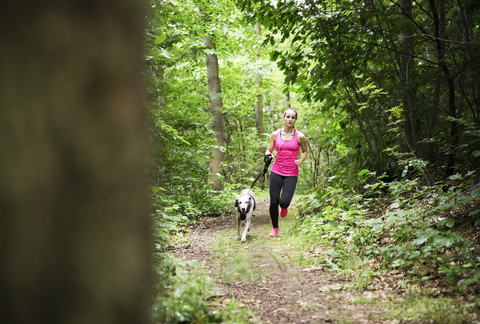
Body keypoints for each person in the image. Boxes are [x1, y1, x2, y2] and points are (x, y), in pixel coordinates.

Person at [264, 108, 308, 237]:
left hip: (291, 173)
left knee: (284, 202)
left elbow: (305, 151)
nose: (290, 119)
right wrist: (268, 155)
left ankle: (284, 207)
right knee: (273, 202)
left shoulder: (300, 136)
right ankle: (275, 228)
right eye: (288, 117)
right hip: (276, 171)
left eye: (293, 117)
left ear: (295, 120)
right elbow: (269, 150)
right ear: (283, 118)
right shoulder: (275, 134)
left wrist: (300, 160)